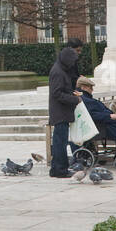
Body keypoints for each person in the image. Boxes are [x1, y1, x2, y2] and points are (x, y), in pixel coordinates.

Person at [75, 77, 116, 159]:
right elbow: (92, 115)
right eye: (90, 87)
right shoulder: (84, 99)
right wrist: (109, 116)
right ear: (83, 87)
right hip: (100, 126)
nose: (92, 90)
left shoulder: (86, 98)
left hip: (104, 123)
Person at [48, 45, 81, 178]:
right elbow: (57, 94)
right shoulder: (58, 72)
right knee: (60, 143)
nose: (73, 64)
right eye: (72, 62)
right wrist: (74, 99)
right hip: (60, 112)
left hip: (62, 112)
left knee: (59, 142)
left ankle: (57, 168)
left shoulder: (61, 69)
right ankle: (60, 170)